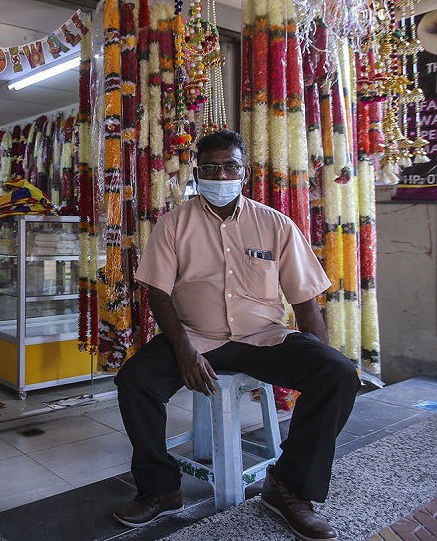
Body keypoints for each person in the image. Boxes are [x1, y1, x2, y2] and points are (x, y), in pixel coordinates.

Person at [112, 129, 360, 541]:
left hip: (263, 336)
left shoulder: (275, 224)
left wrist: (314, 362)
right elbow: (158, 294)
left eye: (229, 166)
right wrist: (185, 351)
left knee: (337, 374)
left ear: (243, 172)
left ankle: (288, 489)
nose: (220, 174)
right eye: (210, 167)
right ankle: (160, 489)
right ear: (197, 171)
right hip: (195, 336)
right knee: (135, 381)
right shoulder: (173, 225)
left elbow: (304, 300)